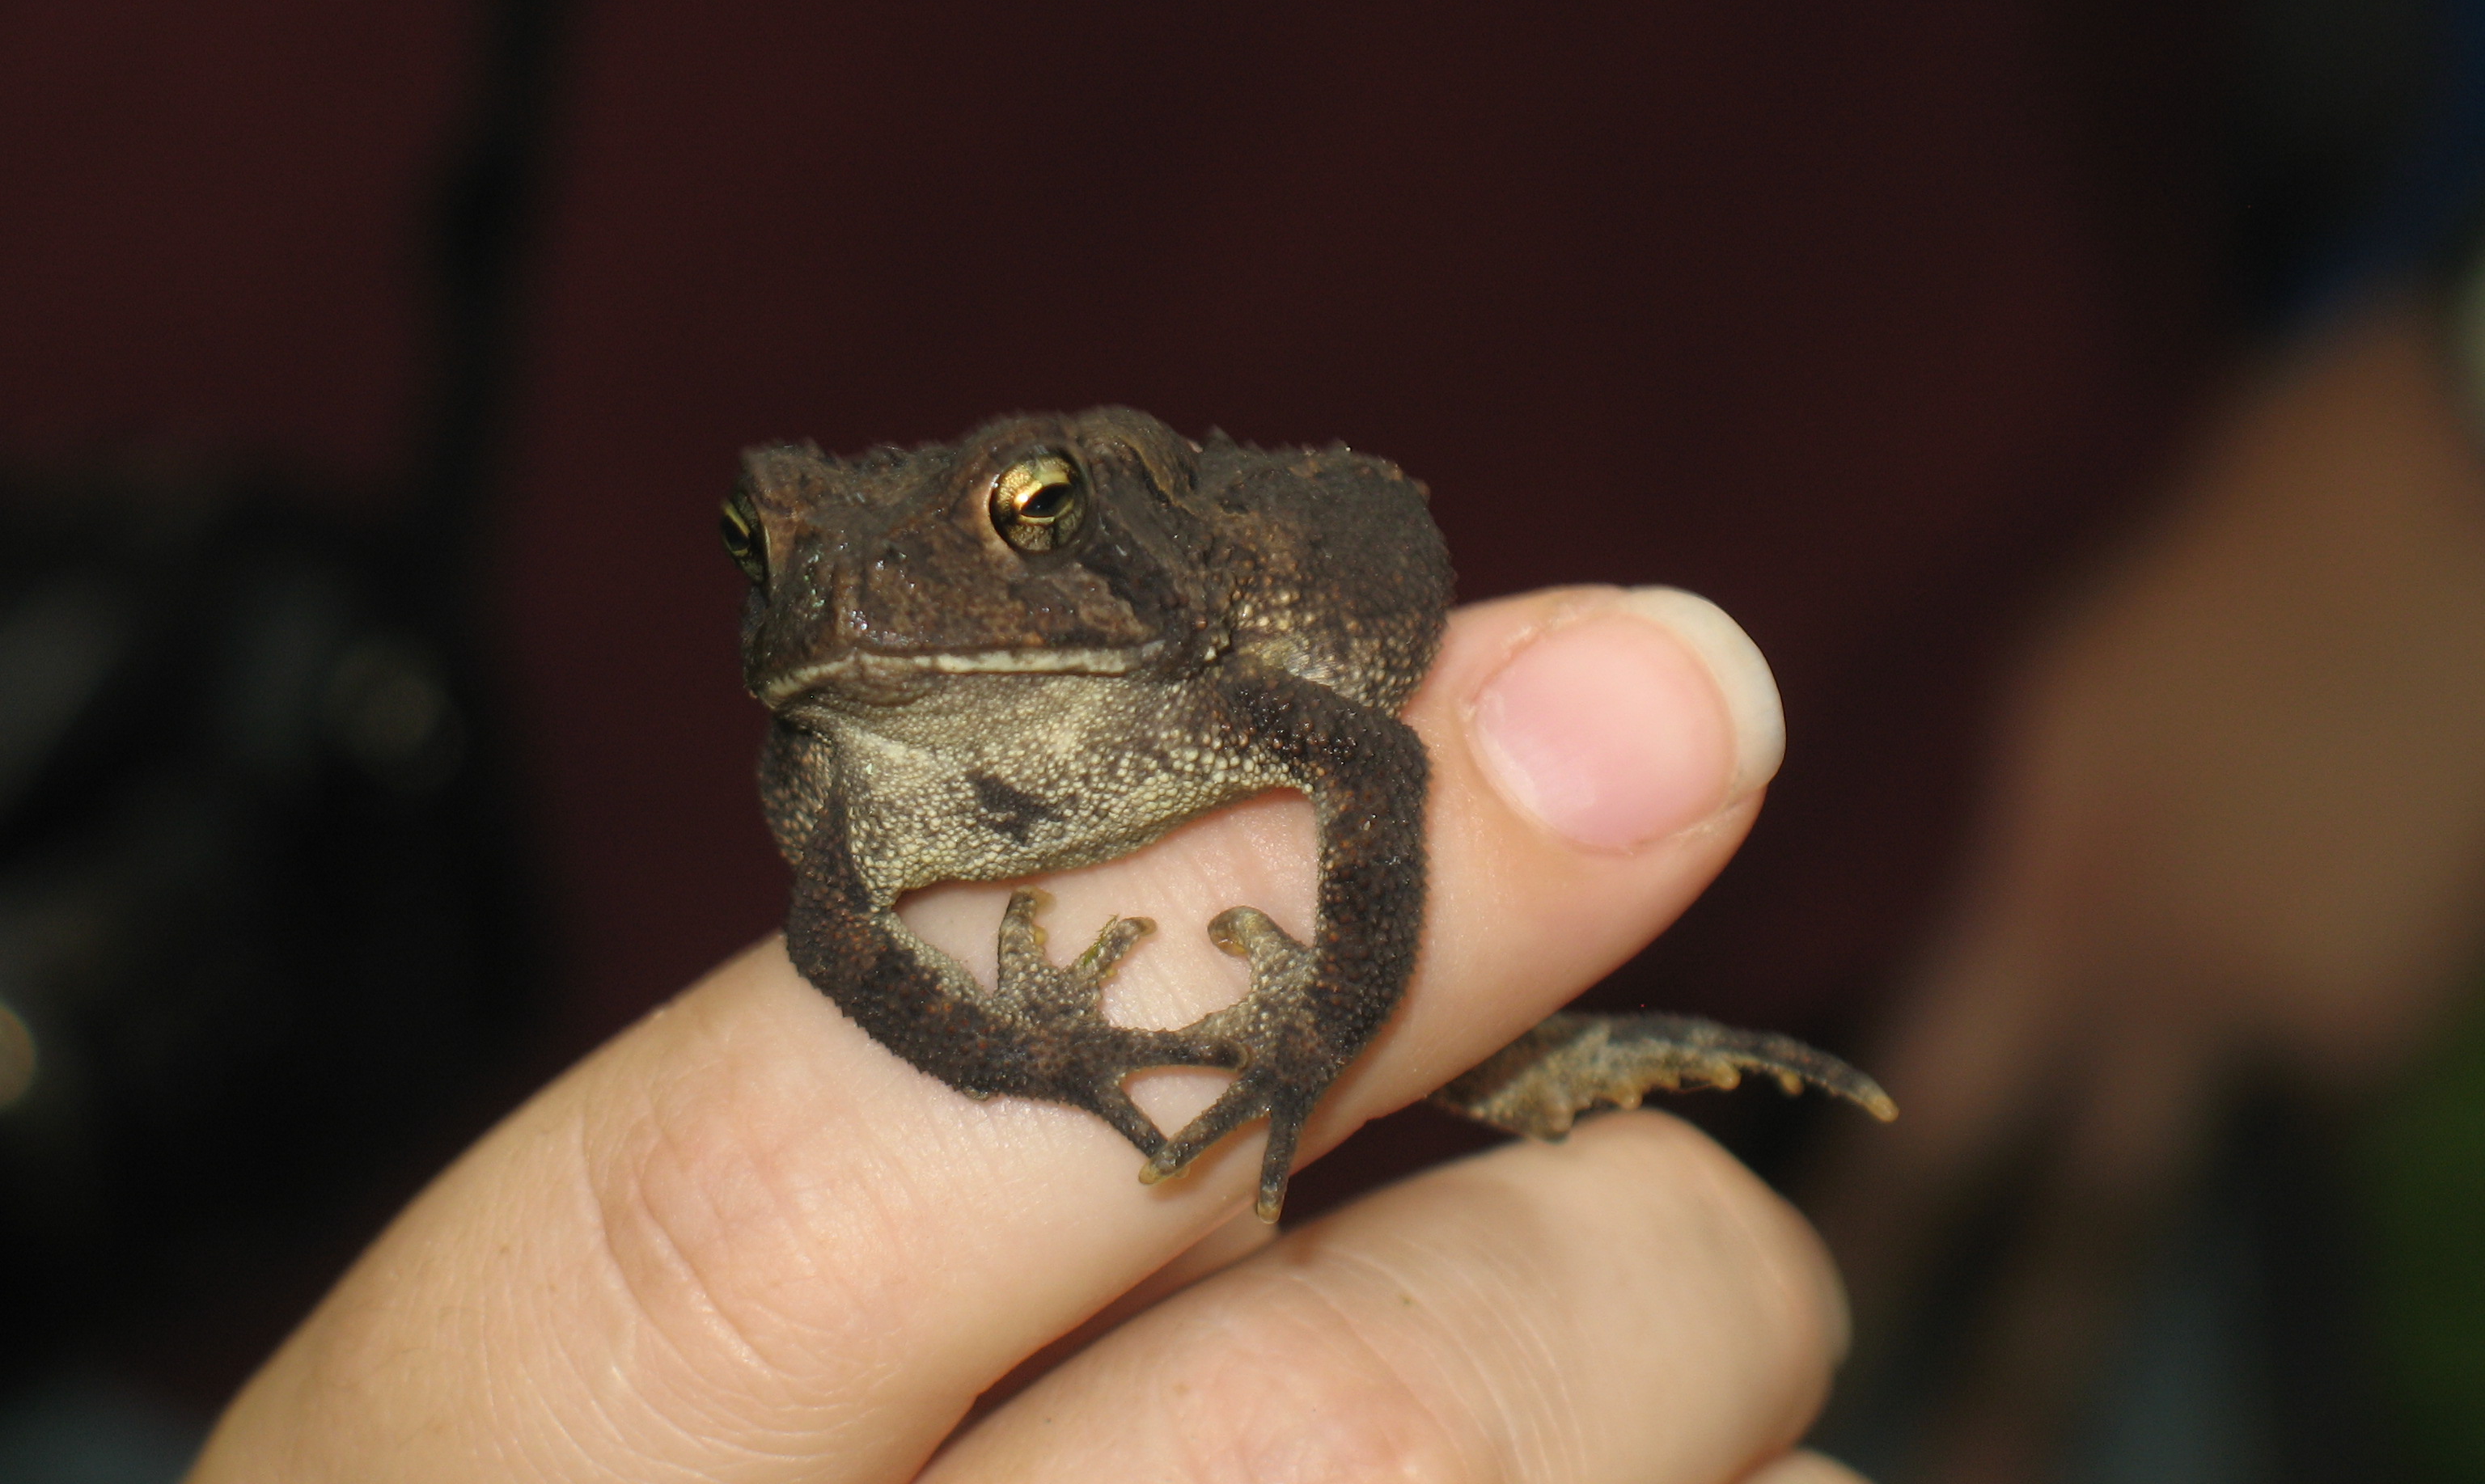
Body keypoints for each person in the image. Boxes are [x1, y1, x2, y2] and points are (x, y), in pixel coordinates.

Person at [186, 586, 1869, 1483]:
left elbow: (1357, 756)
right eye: (762, 551)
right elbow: (846, 933)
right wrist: (1050, 1055)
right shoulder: (831, 767)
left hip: (1859, 855)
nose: (839, 591)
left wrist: (1309, 1027)